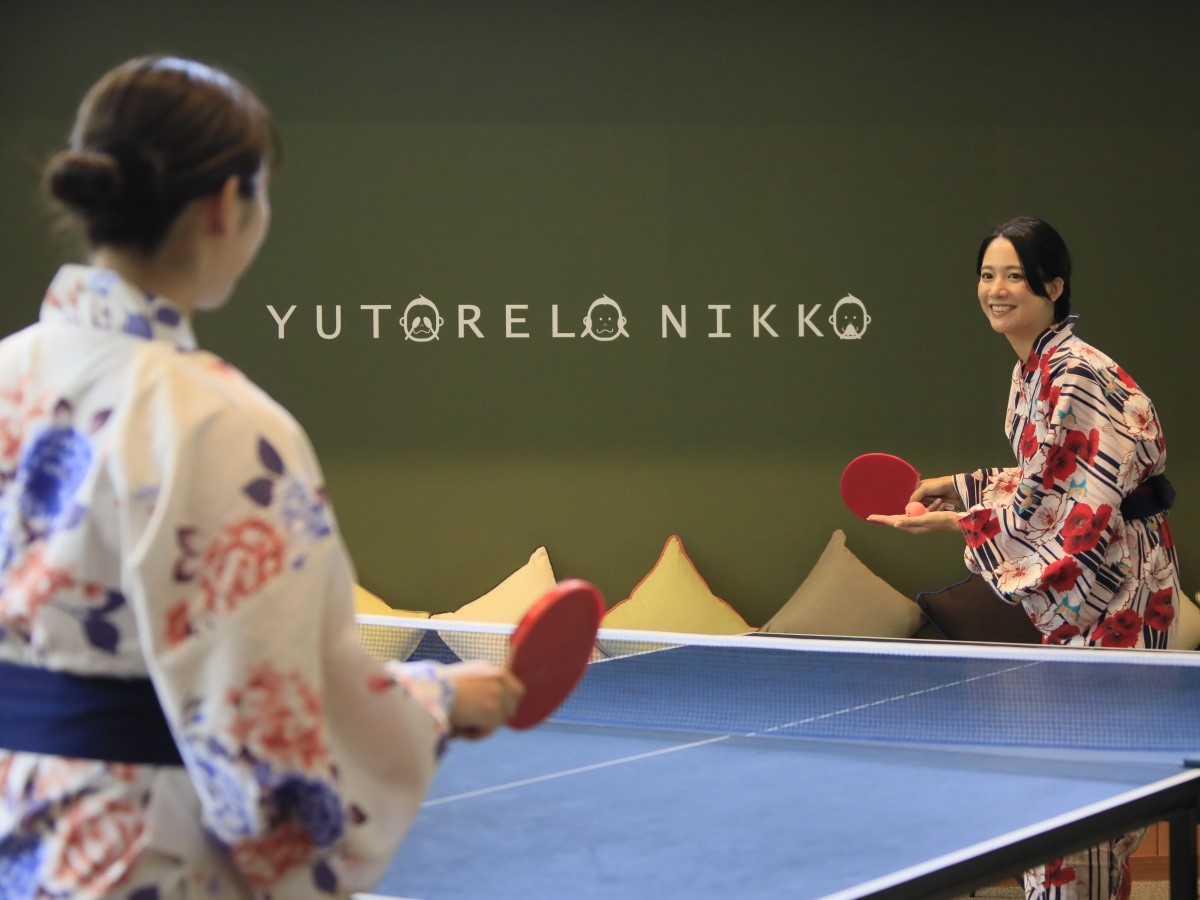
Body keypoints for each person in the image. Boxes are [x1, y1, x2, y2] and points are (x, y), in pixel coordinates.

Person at [0, 55, 523, 898]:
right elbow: (270, 740)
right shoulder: (216, 421)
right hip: (144, 854)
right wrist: (436, 700)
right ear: (225, 205)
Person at [869, 216, 1181, 899]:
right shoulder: (1036, 369)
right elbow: (1053, 479)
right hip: (1104, 578)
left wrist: (960, 521)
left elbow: (1071, 507)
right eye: (988, 275)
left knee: (1082, 797)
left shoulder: (1073, 375)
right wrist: (958, 487)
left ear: (1054, 286)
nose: (997, 289)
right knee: (1076, 789)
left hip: (1120, 589)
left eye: (1015, 275)